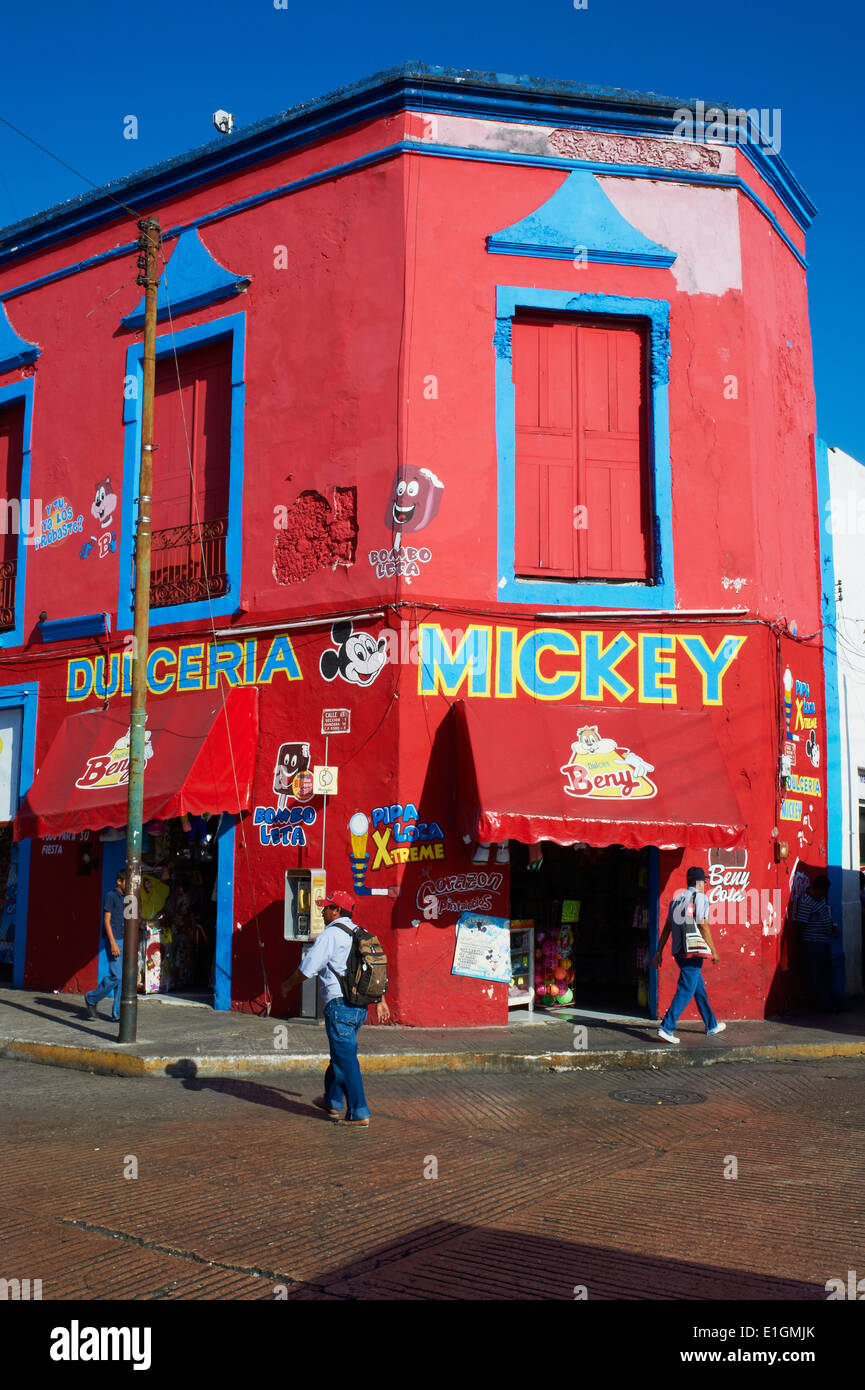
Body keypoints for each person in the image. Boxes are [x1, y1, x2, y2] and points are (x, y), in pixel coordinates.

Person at [281, 889, 390, 1126]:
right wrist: (381, 1000)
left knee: (346, 1058)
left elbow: (307, 968)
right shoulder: (359, 933)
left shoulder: (330, 935)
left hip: (339, 1005)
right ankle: (332, 1101)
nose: (322, 911)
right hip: (359, 1008)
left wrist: (287, 985)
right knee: (340, 1055)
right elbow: (376, 969)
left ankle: (359, 1112)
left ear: (337, 910)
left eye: (327, 907)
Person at [652, 866, 726, 1044]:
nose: (706, 884)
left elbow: (668, 927)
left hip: (678, 951)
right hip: (693, 951)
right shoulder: (700, 898)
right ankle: (667, 1027)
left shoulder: (677, 899)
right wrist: (714, 950)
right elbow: (702, 923)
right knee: (686, 989)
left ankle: (711, 1024)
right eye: (704, 881)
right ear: (699, 882)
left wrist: (659, 951)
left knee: (698, 988)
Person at [794, 873, 845, 1012]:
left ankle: (832, 1001)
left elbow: (826, 912)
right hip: (813, 941)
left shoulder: (820, 899)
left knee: (827, 972)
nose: (824, 894)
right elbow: (801, 923)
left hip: (823, 940)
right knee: (818, 974)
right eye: (823, 891)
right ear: (817, 889)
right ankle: (824, 1004)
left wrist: (833, 926)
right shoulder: (806, 901)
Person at [84, 869, 127, 1022]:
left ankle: (117, 1014)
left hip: (124, 939)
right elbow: (106, 921)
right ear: (119, 881)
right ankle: (91, 997)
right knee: (118, 976)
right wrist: (113, 943)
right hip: (114, 940)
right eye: (126, 881)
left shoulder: (128, 898)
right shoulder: (111, 896)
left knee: (122, 979)